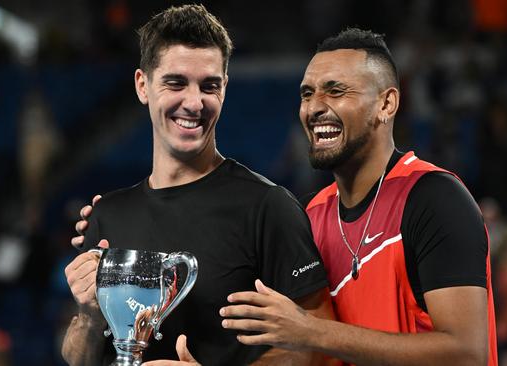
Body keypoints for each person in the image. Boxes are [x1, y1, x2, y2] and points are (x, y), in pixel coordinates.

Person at [61, 5, 333, 366]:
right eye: (175, 82)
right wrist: (89, 314)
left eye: (209, 86)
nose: (193, 103)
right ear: (143, 85)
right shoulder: (107, 215)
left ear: (224, 88)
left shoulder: (268, 207)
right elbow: (77, 358)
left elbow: (320, 347)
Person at [219, 28, 498, 365]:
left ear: (386, 103)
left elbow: (466, 355)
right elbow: (310, 357)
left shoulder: (434, 198)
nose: (313, 108)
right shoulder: (312, 215)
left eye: (336, 91)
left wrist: (312, 331)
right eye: (307, 94)